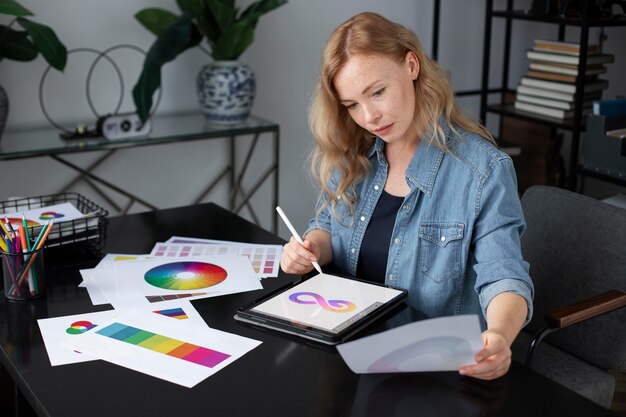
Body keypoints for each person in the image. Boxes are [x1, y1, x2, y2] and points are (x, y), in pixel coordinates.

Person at [280, 11, 534, 381]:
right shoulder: (354, 154)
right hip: (351, 352)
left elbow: (503, 276)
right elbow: (328, 228)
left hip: (435, 369)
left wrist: (497, 337)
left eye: (377, 92)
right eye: (352, 105)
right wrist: (311, 249)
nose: (369, 116)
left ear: (411, 65)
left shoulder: (482, 171)